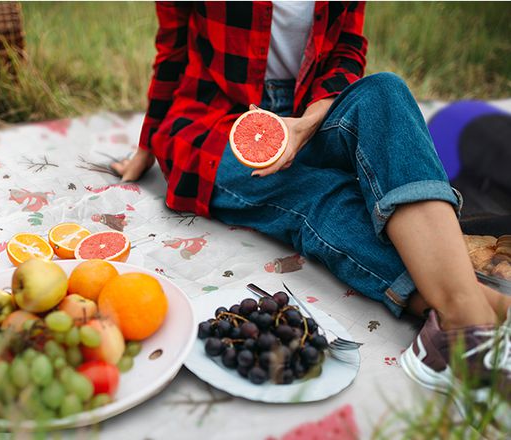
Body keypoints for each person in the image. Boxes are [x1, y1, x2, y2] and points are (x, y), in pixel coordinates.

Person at [111, 1, 510, 411]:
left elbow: (347, 48)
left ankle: (457, 327)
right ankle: (476, 314)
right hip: (214, 125)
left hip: (309, 110)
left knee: (386, 92)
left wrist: (305, 124)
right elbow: (172, 52)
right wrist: (146, 145)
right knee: (322, 192)